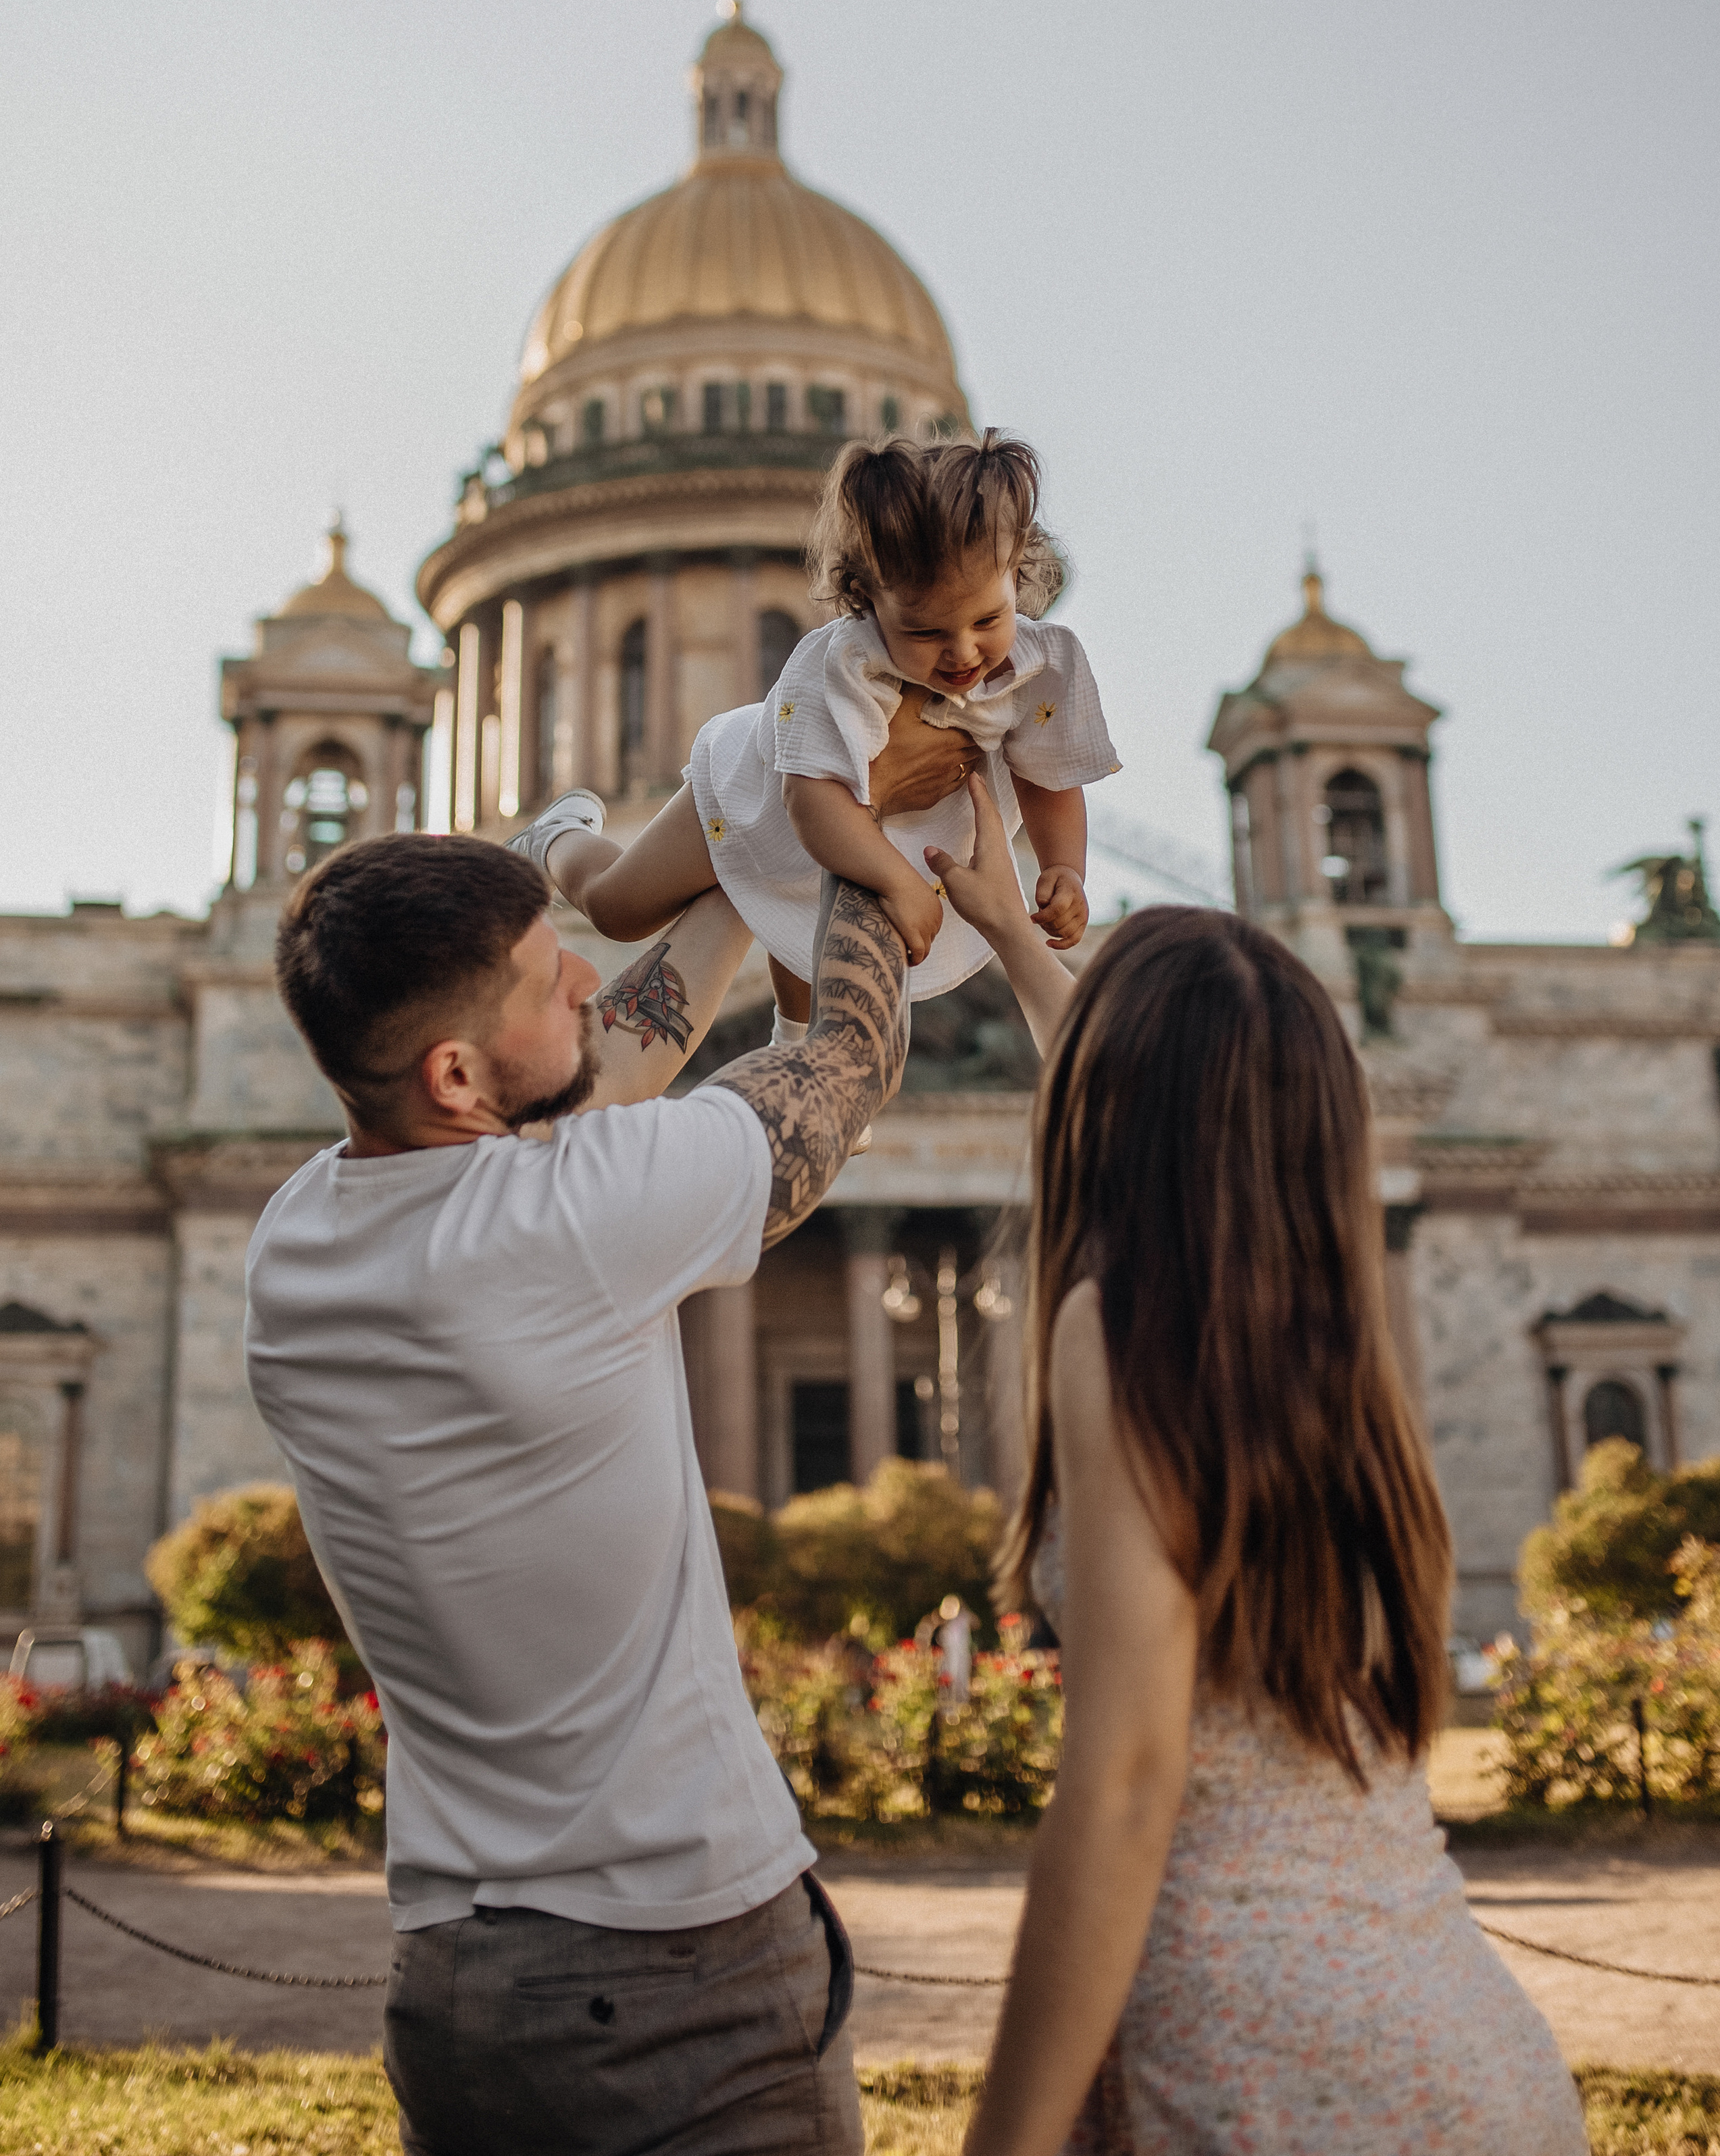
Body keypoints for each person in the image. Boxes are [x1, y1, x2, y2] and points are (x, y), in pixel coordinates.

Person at [243, 713, 983, 2156]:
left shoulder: (299, 1242)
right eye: (546, 977)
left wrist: (749, 858)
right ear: (458, 1079)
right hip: (676, 1975)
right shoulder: (569, 1224)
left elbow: (617, 1060)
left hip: (460, 1976)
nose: (585, 973)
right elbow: (843, 1060)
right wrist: (855, 840)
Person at [928, 781, 1588, 2156]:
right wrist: (1008, 930)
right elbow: (1155, 1105)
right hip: (1469, 2053)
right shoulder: (1333, 1355)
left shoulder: (1119, 1328)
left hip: (1259, 2060)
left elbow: (1125, 1785)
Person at [525, 431, 1119, 1039]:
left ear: (1017, 579)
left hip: (896, 837)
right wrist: (896, 880)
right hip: (758, 802)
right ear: (865, 600)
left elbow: (1049, 776)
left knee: (811, 907)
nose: (963, 651)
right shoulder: (844, 665)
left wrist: (1064, 868)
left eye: (988, 619)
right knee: (618, 910)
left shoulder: (1039, 667)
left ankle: (794, 1041)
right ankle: (557, 836)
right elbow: (810, 806)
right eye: (925, 632)